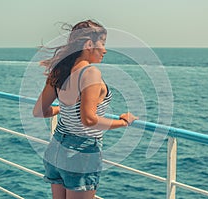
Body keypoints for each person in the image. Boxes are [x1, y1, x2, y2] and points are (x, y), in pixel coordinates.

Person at [33, 20, 138, 199]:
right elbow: (89, 120)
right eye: (102, 44)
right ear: (89, 44)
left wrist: (62, 109)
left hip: (56, 149)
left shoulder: (59, 71)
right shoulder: (90, 73)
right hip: (81, 153)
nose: (104, 50)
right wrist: (123, 122)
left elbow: (39, 111)